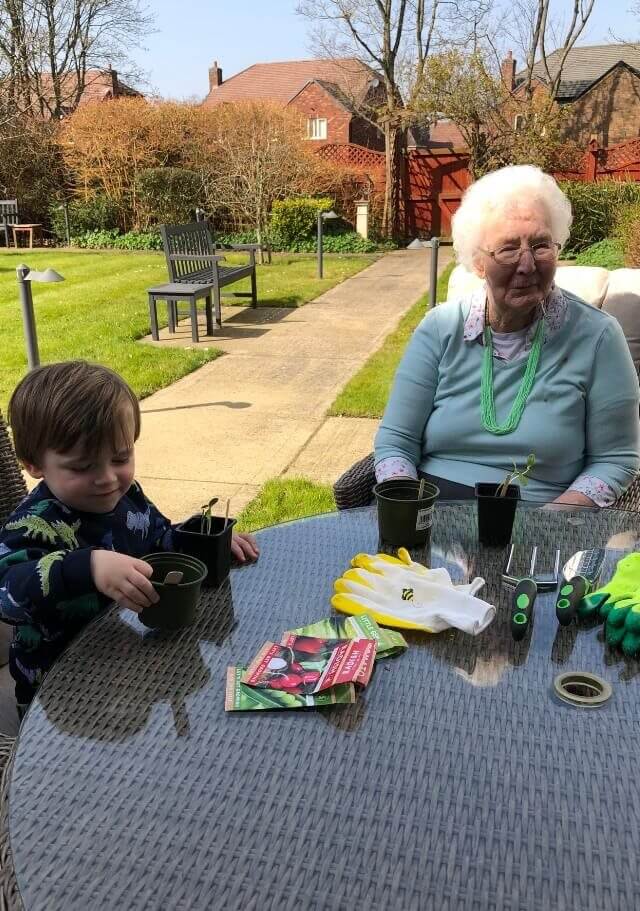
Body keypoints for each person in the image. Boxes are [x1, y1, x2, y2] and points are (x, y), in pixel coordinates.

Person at [0, 360, 259, 710]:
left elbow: (158, 538)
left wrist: (198, 539)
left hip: (127, 660)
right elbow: (8, 593)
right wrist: (86, 567)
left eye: (120, 458)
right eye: (82, 466)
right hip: (58, 696)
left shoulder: (126, 497)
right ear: (34, 464)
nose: (107, 478)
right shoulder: (33, 523)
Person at [375, 165, 640, 506]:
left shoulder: (598, 338)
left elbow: (616, 460)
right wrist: (406, 505)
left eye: (541, 245)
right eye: (508, 248)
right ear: (479, 263)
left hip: (543, 519)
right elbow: (396, 440)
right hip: (431, 516)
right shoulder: (440, 330)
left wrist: (548, 523)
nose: (527, 264)